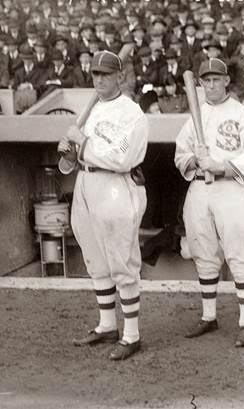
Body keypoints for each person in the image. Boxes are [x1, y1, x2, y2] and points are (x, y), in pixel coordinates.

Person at [58, 50, 148, 360]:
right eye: (96, 74)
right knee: (95, 259)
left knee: (121, 260)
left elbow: (121, 158)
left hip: (116, 186)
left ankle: (131, 335)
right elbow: (78, 158)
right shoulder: (93, 109)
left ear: (120, 76)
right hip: (86, 183)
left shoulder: (132, 113)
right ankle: (107, 325)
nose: (99, 79)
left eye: (106, 74)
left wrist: (83, 143)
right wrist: (70, 152)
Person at [174, 58, 244, 348]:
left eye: (217, 79)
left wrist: (222, 166)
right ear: (200, 84)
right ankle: (209, 316)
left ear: (227, 81)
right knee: (203, 252)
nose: (211, 85)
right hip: (200, 188)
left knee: (238, 252)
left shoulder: (241, 115)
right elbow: (179, 155)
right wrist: (194, 159)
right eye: (206, 80)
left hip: (231, 188)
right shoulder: (195, 116)